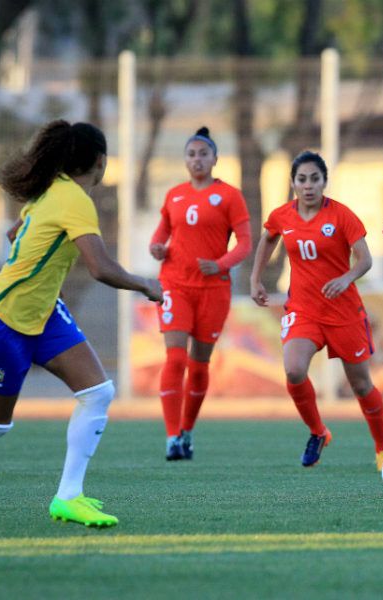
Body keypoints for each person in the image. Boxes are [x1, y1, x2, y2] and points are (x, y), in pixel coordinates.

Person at [0, 120, 162, 531]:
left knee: (97, 392)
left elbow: (16, 232)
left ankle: (69, 496)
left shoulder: (53, 191)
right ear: (100, 161)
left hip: (42, 315)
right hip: (2, 321)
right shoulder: (74, 199)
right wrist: (144, 284)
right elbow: (100, 268)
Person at [250, 151, 383, 470]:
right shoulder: (282, 215)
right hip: (303, 309)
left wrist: (346, 278)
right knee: (294, 371)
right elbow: (268, 238)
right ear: (293, 183)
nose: (308, 185)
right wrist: (255, 279)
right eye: (302, 179)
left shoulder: (341, 216)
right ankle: (318, 432)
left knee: (361, 385)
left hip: (344, 312)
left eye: (315, 179)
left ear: (324, 182)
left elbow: (365, 259)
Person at [149, 126, 251, 461]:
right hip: (175, 284)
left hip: (212, 289)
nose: (197, 160)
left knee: (199, 363)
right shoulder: (175, 195)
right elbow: (162, 231)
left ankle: (188, 431)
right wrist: (156, 247)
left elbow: (245, 245)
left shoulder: (230, 196)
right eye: (191, 155)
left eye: (203, 154)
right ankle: (170, 437)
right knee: (175, 358)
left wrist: (220, 264)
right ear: (185, 160)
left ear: (215, 159)